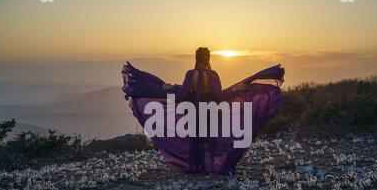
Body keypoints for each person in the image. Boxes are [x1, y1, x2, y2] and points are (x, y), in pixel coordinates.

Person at [121, 47, 284, 175]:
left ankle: (196, 167)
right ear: (208, 59)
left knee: (195, 138)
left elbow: (183, 94)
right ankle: (214, 167)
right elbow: (220, 96)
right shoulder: (213, 74)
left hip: (193, 110)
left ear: (196, 58)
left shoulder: (190, 74)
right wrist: (235, 90)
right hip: (211, 110)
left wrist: (170, 88)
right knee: (211, 139)